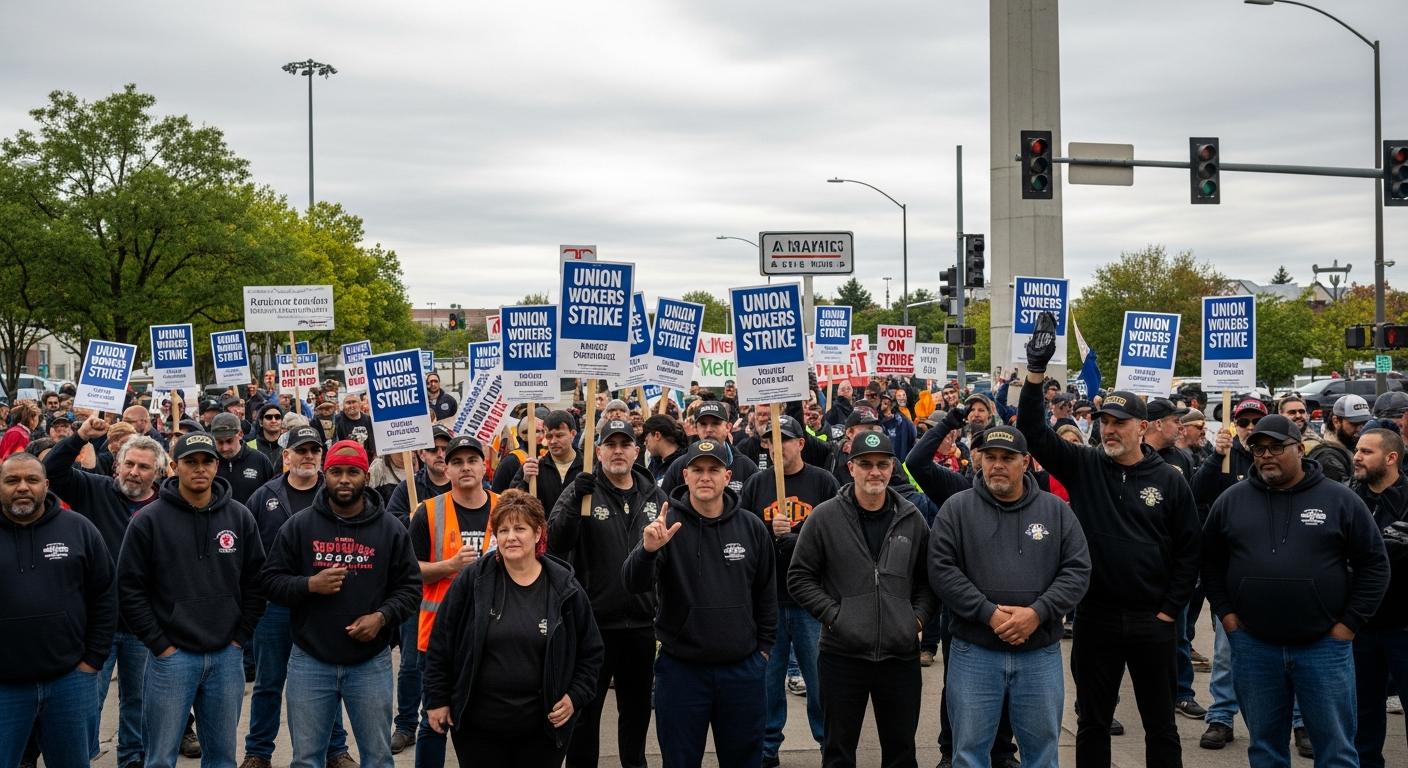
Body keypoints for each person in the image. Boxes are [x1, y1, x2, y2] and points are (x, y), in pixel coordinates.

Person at [1017, 313, 1200, 768]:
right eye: (1104, 421)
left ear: (1142, 427)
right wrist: (1035, 374)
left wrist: (1169, 610)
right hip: (1095, 618)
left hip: (1152, 621)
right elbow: (1034, 434)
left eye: (1120, 421)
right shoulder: (1085, 466)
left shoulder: (1170, 480)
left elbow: (1189, 550)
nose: (1110, 429)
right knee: (1093, 722)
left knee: (1161, 724)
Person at [1202, 415, 1389, 768]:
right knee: (1265, 749)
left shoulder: (1340, 499)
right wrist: (1227, 615)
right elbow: (1210, 563)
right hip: (1254, 647)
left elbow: (1374, 564)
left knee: (1336, 751)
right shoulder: (1231, 501)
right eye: (1259, 449)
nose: (1266, 455)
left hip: (1323, 647)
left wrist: (1348, 625)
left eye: (1276, 447)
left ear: (1300, 449)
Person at [928, 426, 1090, 768]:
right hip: (974, 652)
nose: (997, 465)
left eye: (1007, 458)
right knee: (968, 754)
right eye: (990, 457)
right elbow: (942, 570)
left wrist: (1038, 613)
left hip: (1039, 652)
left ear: (1026, 462)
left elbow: (1077, 570)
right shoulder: (956, 509)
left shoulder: (1056, 511)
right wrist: (988, 613)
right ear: (980, 460)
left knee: (1042, 754)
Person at [262, 440, 422, 768]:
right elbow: (270, 581)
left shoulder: (390, 529)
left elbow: (410, 589)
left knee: (378, 758)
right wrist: (309, 585)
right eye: (336, 472)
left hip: (369, 662)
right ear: (326, 475)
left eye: (353, 472)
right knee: (306, 759)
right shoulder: (300, 526)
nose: (344, 479)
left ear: (367, 476)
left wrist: (381, 617)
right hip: (310, 660)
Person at [787, 430, 939, 768]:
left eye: (882, 464)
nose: (875, 472)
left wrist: (915, 619)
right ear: (851, 467)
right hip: (842, 656)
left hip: (899, 657)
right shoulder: (825, 517)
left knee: (901, 752)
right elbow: (799, 577)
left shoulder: (911, 518)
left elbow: (929, 581)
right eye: (866, 464)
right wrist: (835, 616)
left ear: (892, 468)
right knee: (838, 752)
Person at [622, 439, 777, 768]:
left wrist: (763, 650)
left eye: (713, 470)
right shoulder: (665, 526)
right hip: (682, 671)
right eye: (698, 470)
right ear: (686, 476)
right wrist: (647, 551)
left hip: (742, 671)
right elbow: (633, 584)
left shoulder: (751, 527)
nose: (705, 477)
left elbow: (766, 593)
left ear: (727, 476)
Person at [116, 431, 267, 768]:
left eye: (207, 461)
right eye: (191, 462)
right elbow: (129, 589)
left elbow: (256, 583)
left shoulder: (240, 517)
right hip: (171, 659)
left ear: (216, 466)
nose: (200, 468)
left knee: (222, 758)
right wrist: (159, 644)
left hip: (226, 657)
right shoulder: (148, 520)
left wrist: (240, 638)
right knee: (159, 758)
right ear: (174, 466)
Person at [423, 490, 604, 766]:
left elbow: (591, 652)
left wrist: (575, 696)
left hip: (542, 731)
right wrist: (437, 699)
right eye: (503, 530)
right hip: (478, 731)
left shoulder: (564, 587)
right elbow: (441, 642)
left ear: (538, 533)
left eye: (520, 529)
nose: (511, 537)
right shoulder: (474, 580)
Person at [46, 418, 165, 768]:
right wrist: (80, 436)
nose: (134, 472)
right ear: (116, 465)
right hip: (97, 624)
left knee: (138, 699)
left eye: (144, 467)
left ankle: (132, 757)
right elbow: (52, 470)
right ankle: (81, 757)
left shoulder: (166, 505)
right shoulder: (93, 489)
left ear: (157, 473)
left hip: (144, 625)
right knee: (86, 700)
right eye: (129, 464)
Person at [546, 419, 665, 768]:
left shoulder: (654, 496)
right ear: (598, 451)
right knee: (585, 714)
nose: (617, 451)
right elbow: (556, 542)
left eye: (624, 444)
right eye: (610, 445)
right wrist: (574, 500)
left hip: (641, 625)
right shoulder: (582, 490)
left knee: (637, 712)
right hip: (592, 625)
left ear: (636, 451)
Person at [240, 426, 353, 768]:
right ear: (285, 455)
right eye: (301, 450)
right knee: (269, 682)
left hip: (323, 606)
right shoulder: (264, 496)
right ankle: (258, 752)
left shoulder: (334, 494)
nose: (308, 456)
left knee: (329, 680)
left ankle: (335, 751)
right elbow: (248, 554)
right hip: (274, 606)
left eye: (314, 450)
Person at [0, 453, 116, 767]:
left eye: (32, 480)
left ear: (46, 484)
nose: (22, 487)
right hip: (5, 688)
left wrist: (93, 659)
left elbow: (105, 595)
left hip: (70, 681)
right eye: (12, 480)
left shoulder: (79, 529)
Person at [738, 414, 838, 765]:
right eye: (770, 440)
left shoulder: (823, 482)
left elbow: (838, 536)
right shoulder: (756, 484)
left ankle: (830, 746)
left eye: (784, 439)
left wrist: (800, 538)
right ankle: (767, 750)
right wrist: (769, 533)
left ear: (801, 443)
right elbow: (742, 536)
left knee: (820, 682)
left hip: (812, 602)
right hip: (768, 601)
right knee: (767, 683)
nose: (776, 447)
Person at [409, 434, 499, 768]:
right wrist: (449, 566)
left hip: (494, 634)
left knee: (483, 719)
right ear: (446, 469)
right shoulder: (427, 512)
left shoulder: (506, 507)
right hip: (438, 637)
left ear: (484, 466)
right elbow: (409, 572)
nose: (465, 468)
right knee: (434, 719)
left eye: (472, 460)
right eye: (457, 462)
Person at [1347, 428, 1408, 767]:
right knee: (1362, 716)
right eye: (1357, 450)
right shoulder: (1346, 497)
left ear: (1391, 458)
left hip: (1403, 626)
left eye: (1366, 452)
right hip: (1360, 625)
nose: (1357, 457)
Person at [660, 401, 758, 496]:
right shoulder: (679, 466)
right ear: (696, 428)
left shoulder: (746, 467)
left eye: (715, 423)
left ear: (728, 427)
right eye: (703, 424)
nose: (709, 430)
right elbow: (664, 502)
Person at [515, 410, 583, 514]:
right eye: (549, 436)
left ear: (573, 434)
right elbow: (512, 504)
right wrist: (525, 482)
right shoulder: (533, 467)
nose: (553, 441)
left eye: (559, 435)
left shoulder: (588, 467)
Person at [212, 412, 275, 506]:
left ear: (240, 434)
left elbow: (271, 497)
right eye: (220, 442)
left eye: (229, 441)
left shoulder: (260, 460)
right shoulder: (209, 461)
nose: (225, 448)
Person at [1319, 394, 1370, 483]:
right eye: (1354, 424)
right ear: (1336, 421)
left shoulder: (1352, 444)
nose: (1360, 429)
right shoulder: (1328, 457)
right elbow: (1344, 489)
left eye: (1364, 423)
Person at [334, 392, 377, 459]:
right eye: (348, 403)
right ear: (343, 406)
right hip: (346, 459)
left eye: (354, 402)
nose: (351, 406)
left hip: (368, 459)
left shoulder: (369, 420)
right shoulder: (336, 420)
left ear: (360, 404)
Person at [247, 402, 285, 472]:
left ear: (282, 422)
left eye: (277, 417)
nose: (274, 420)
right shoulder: (248, 447)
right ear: (261, 422)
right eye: (269, 417)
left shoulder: (289, 446)